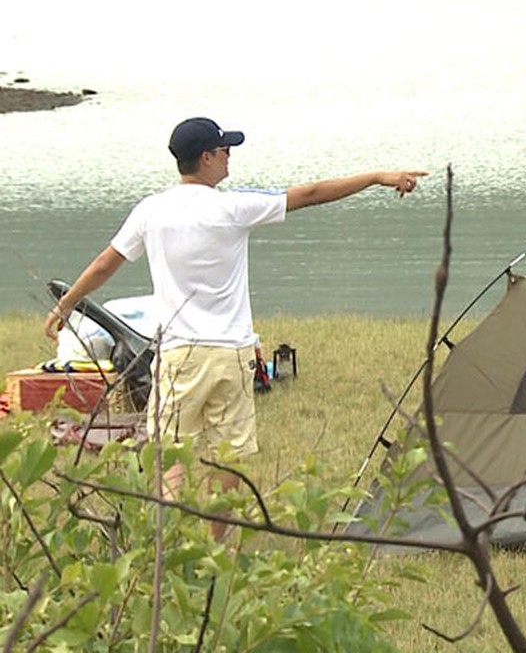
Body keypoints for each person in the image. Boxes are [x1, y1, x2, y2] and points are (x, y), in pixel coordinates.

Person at [44, 117, 428, 535]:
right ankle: (214, 545)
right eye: (225, 150)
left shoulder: (151, 211)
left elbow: (105, 264)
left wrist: (67, 306)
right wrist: (377, 177)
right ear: (206, 158)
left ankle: (167, 542)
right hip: (231, 354)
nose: (230, 157)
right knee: (227, 456)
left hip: (178, 356)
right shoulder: (232, 207)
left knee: (170, 451)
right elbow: (312, 194)